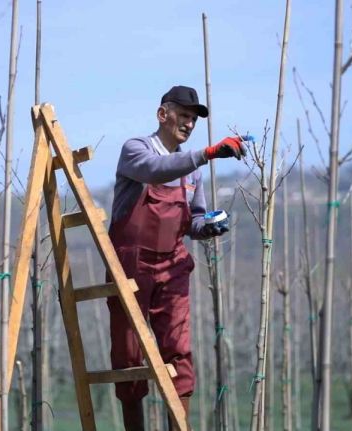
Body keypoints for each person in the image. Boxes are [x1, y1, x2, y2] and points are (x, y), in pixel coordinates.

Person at [107, 85, 246, 430]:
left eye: (194, 119)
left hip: (172, 266)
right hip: (131, 265)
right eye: (183, 115)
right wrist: (207, 153)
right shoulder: (136, 149)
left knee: (178, 349)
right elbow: (156, 170)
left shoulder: (192, 170)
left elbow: (193, 219)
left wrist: (208, 227)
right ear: (162, 114)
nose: (189, 124)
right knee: (128, 352)